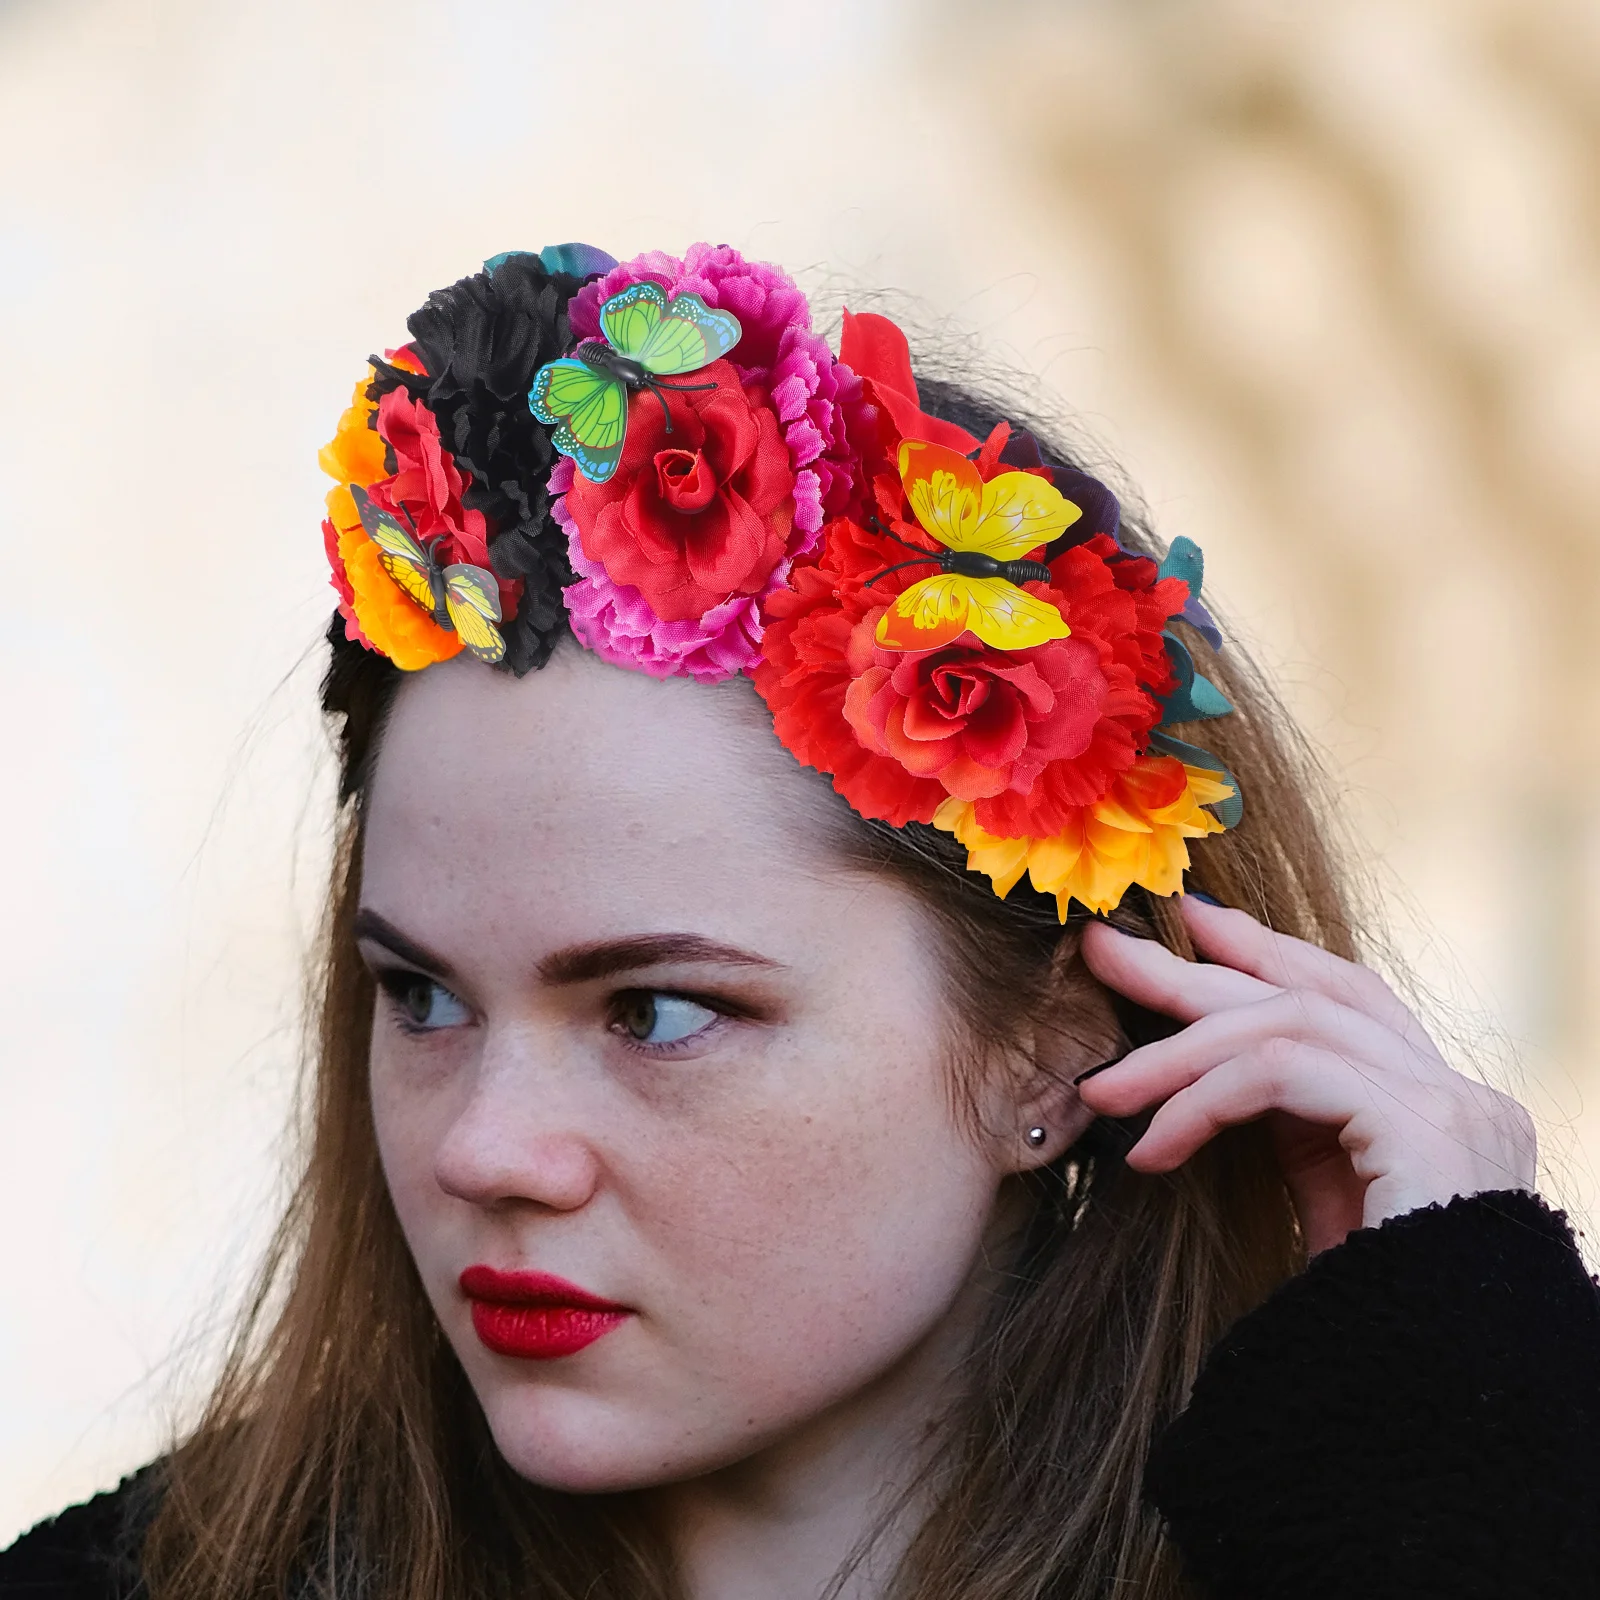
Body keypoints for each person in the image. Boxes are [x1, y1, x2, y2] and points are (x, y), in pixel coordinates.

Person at [4, 243, 1596, 1600]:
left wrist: (1452, 1412)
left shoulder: (1432, 1539)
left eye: (654, 1011)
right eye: (422, 997)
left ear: (1055, 1054)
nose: (483, 1150)